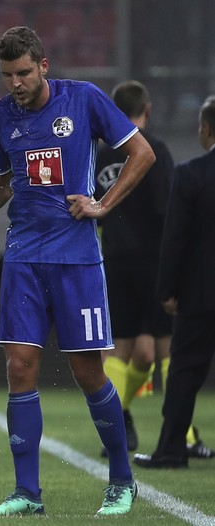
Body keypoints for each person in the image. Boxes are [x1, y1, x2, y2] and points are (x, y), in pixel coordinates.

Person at [0, 27, 155, 517]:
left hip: (76, 256)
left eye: (23, 73)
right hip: (23, 254)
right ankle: (27, 493)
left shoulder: (82, 99)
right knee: (19, 366)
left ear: (43, 65)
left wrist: (102, 204)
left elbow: (142, 153)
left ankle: (122, 481)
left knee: (88, 370)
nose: (16, 84)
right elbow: (2, 186)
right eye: (7, 76)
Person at [94, 80, 211, 458]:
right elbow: (170, 213)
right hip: (153, 261)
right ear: (147, 109)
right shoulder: (154, 150)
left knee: (122, 348)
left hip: (113, 261)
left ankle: (114, 428)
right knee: (165, 347)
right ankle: (186, 436)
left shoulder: (97, 156)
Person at [133, 95, 215, 469]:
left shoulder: (191, 173)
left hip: (201, 296)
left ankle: (171, 450)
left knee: (183, 373)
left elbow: (176, 238)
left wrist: (167, 290)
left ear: (207, 130)